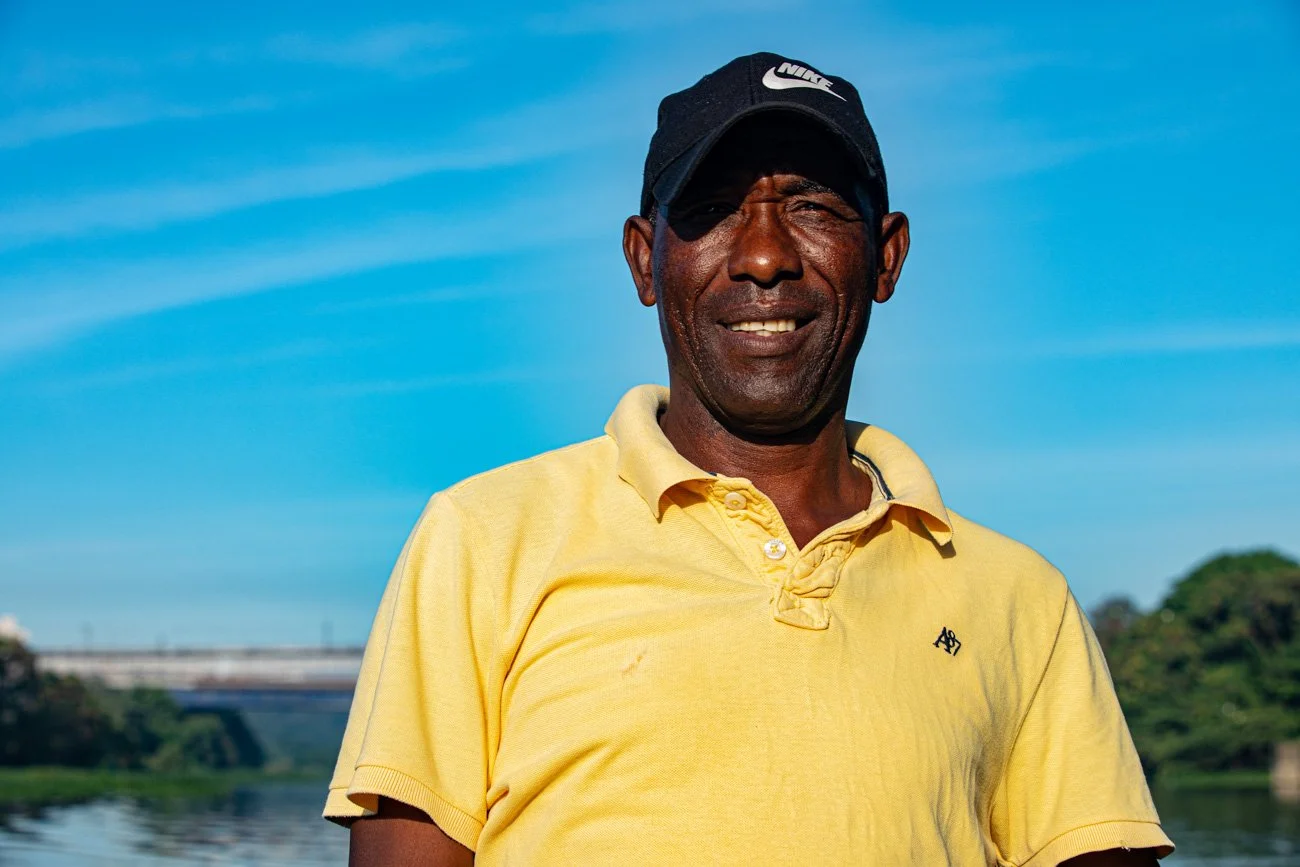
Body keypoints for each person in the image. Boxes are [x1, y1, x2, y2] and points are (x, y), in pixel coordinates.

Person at [325, 52, 1175, 866]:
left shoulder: (1022, 600)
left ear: (886, 256)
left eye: (812, 206)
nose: (764, 255)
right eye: (716, 209)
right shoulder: (483, 539)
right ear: (642, 258)